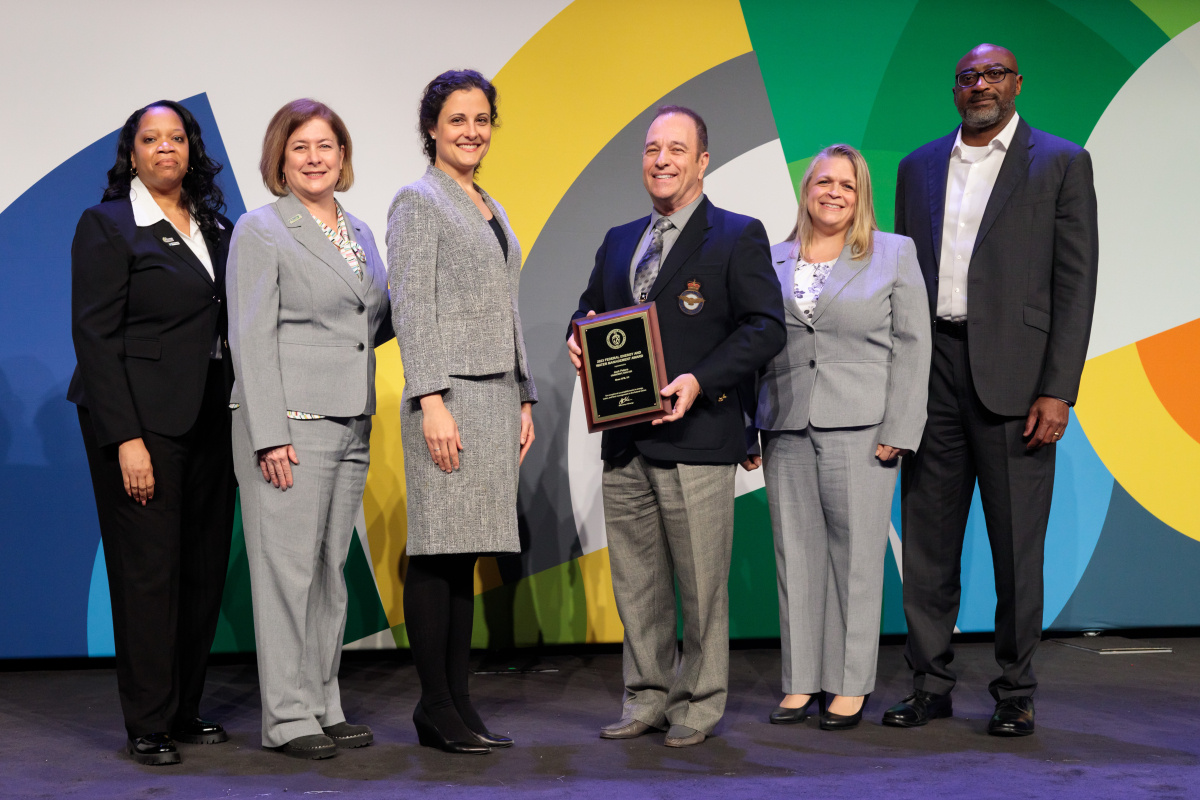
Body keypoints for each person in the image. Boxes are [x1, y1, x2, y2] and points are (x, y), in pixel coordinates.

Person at [885, 43, 1098, 737]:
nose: (980, 85)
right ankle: (929, 683)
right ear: (955, 90)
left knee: (1016, 550)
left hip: (1018, 381)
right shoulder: (916, 167)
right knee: (928, 545)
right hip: (934, 373)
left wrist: (1058, 388)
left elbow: (1075, 284)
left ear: (1016, 84)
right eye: (968, 76)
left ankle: (1015, 689)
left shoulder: (1061, 161)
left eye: (993, 74)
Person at [567, 105, 786, 748]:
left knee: (701, 584)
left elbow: (765, 327)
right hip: (626, 438)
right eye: (651, 149)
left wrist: (701, 380)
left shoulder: (736, 235)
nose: (661, 160)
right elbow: (591, 309)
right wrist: (580, 338)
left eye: (676, 150)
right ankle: (646, 696)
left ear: (702, 160)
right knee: (637, 582)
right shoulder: (618, 239)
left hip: (698, 436)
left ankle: (699, 700)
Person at [68, 100, 236, 765]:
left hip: (211, 419)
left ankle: (184, 707)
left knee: (201, 569)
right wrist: (126, 439)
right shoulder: (108, 225)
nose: (165, 147)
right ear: (131, 153)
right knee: (149, 574)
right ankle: (147, 721)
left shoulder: (218, 226)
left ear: (190, 149)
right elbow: (96, 339)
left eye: (176, 137)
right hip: (140, 424)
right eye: (150, 138)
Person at [227, 99, 393, 759]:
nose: (316, 157)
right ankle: (287, 717)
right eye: (301, 147)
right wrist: (270, 433)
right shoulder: (261, 229)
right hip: (289, 425)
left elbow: (368, 324)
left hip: (351, 422)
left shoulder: (360, 233)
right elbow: (250, 334)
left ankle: (323, 702)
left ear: (343, 156)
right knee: (287, 574)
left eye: (327, 145)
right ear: (281, 158)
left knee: (330, 571)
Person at [753, 145, 930, 731]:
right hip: (784, 423)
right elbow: (754, 346)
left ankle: (850, 685)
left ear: (861, 196)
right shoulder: (771, 258)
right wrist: (751, 424)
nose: (833, 192)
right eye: (823, 181)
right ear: (806, 190)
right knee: (795, 559)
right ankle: (801, 682)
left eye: (846, 186)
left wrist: (901, 429)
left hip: (864, 428)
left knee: (855, 561)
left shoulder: (893, 253)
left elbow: (913, 345)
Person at [387, 69, 536, 755]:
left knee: (465, 554)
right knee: (437, 554)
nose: (471, 131)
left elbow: (508, 307)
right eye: (457, 120)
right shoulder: (419, 202)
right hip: (449, 398)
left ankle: (458, 705)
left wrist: (524, 393)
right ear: (432, 129)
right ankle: (434, 707)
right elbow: (411, 307)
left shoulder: (490, 204)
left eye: (481, 119)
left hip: (494, 396)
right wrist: (431, 399)